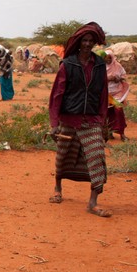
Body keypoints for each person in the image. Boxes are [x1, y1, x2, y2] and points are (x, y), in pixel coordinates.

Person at [48, 22, 111, 217]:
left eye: (91, 41)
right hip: (69, 117)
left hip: (91, 119)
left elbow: (103, 94)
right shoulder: (68, 65)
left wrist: (102, 122)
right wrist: (54, 123)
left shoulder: (99, 65)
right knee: (63, 156)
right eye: (84, 40)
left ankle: (92, 202)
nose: (87, 44)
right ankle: (58, 187)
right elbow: (57, 95)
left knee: (97, 157)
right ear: (78, 43)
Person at [104, 50, 130, 141]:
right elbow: (96, 79)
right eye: (106, 58)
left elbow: (124, 76)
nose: (107, 59)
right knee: (107, 113)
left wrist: (118, 78)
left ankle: (122, 133)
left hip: (117, 93)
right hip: (105, 94)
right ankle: (109, 132)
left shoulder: (118, 66)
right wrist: (107, 78)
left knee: (118, 111)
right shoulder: (100, 67)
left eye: (109, 58)